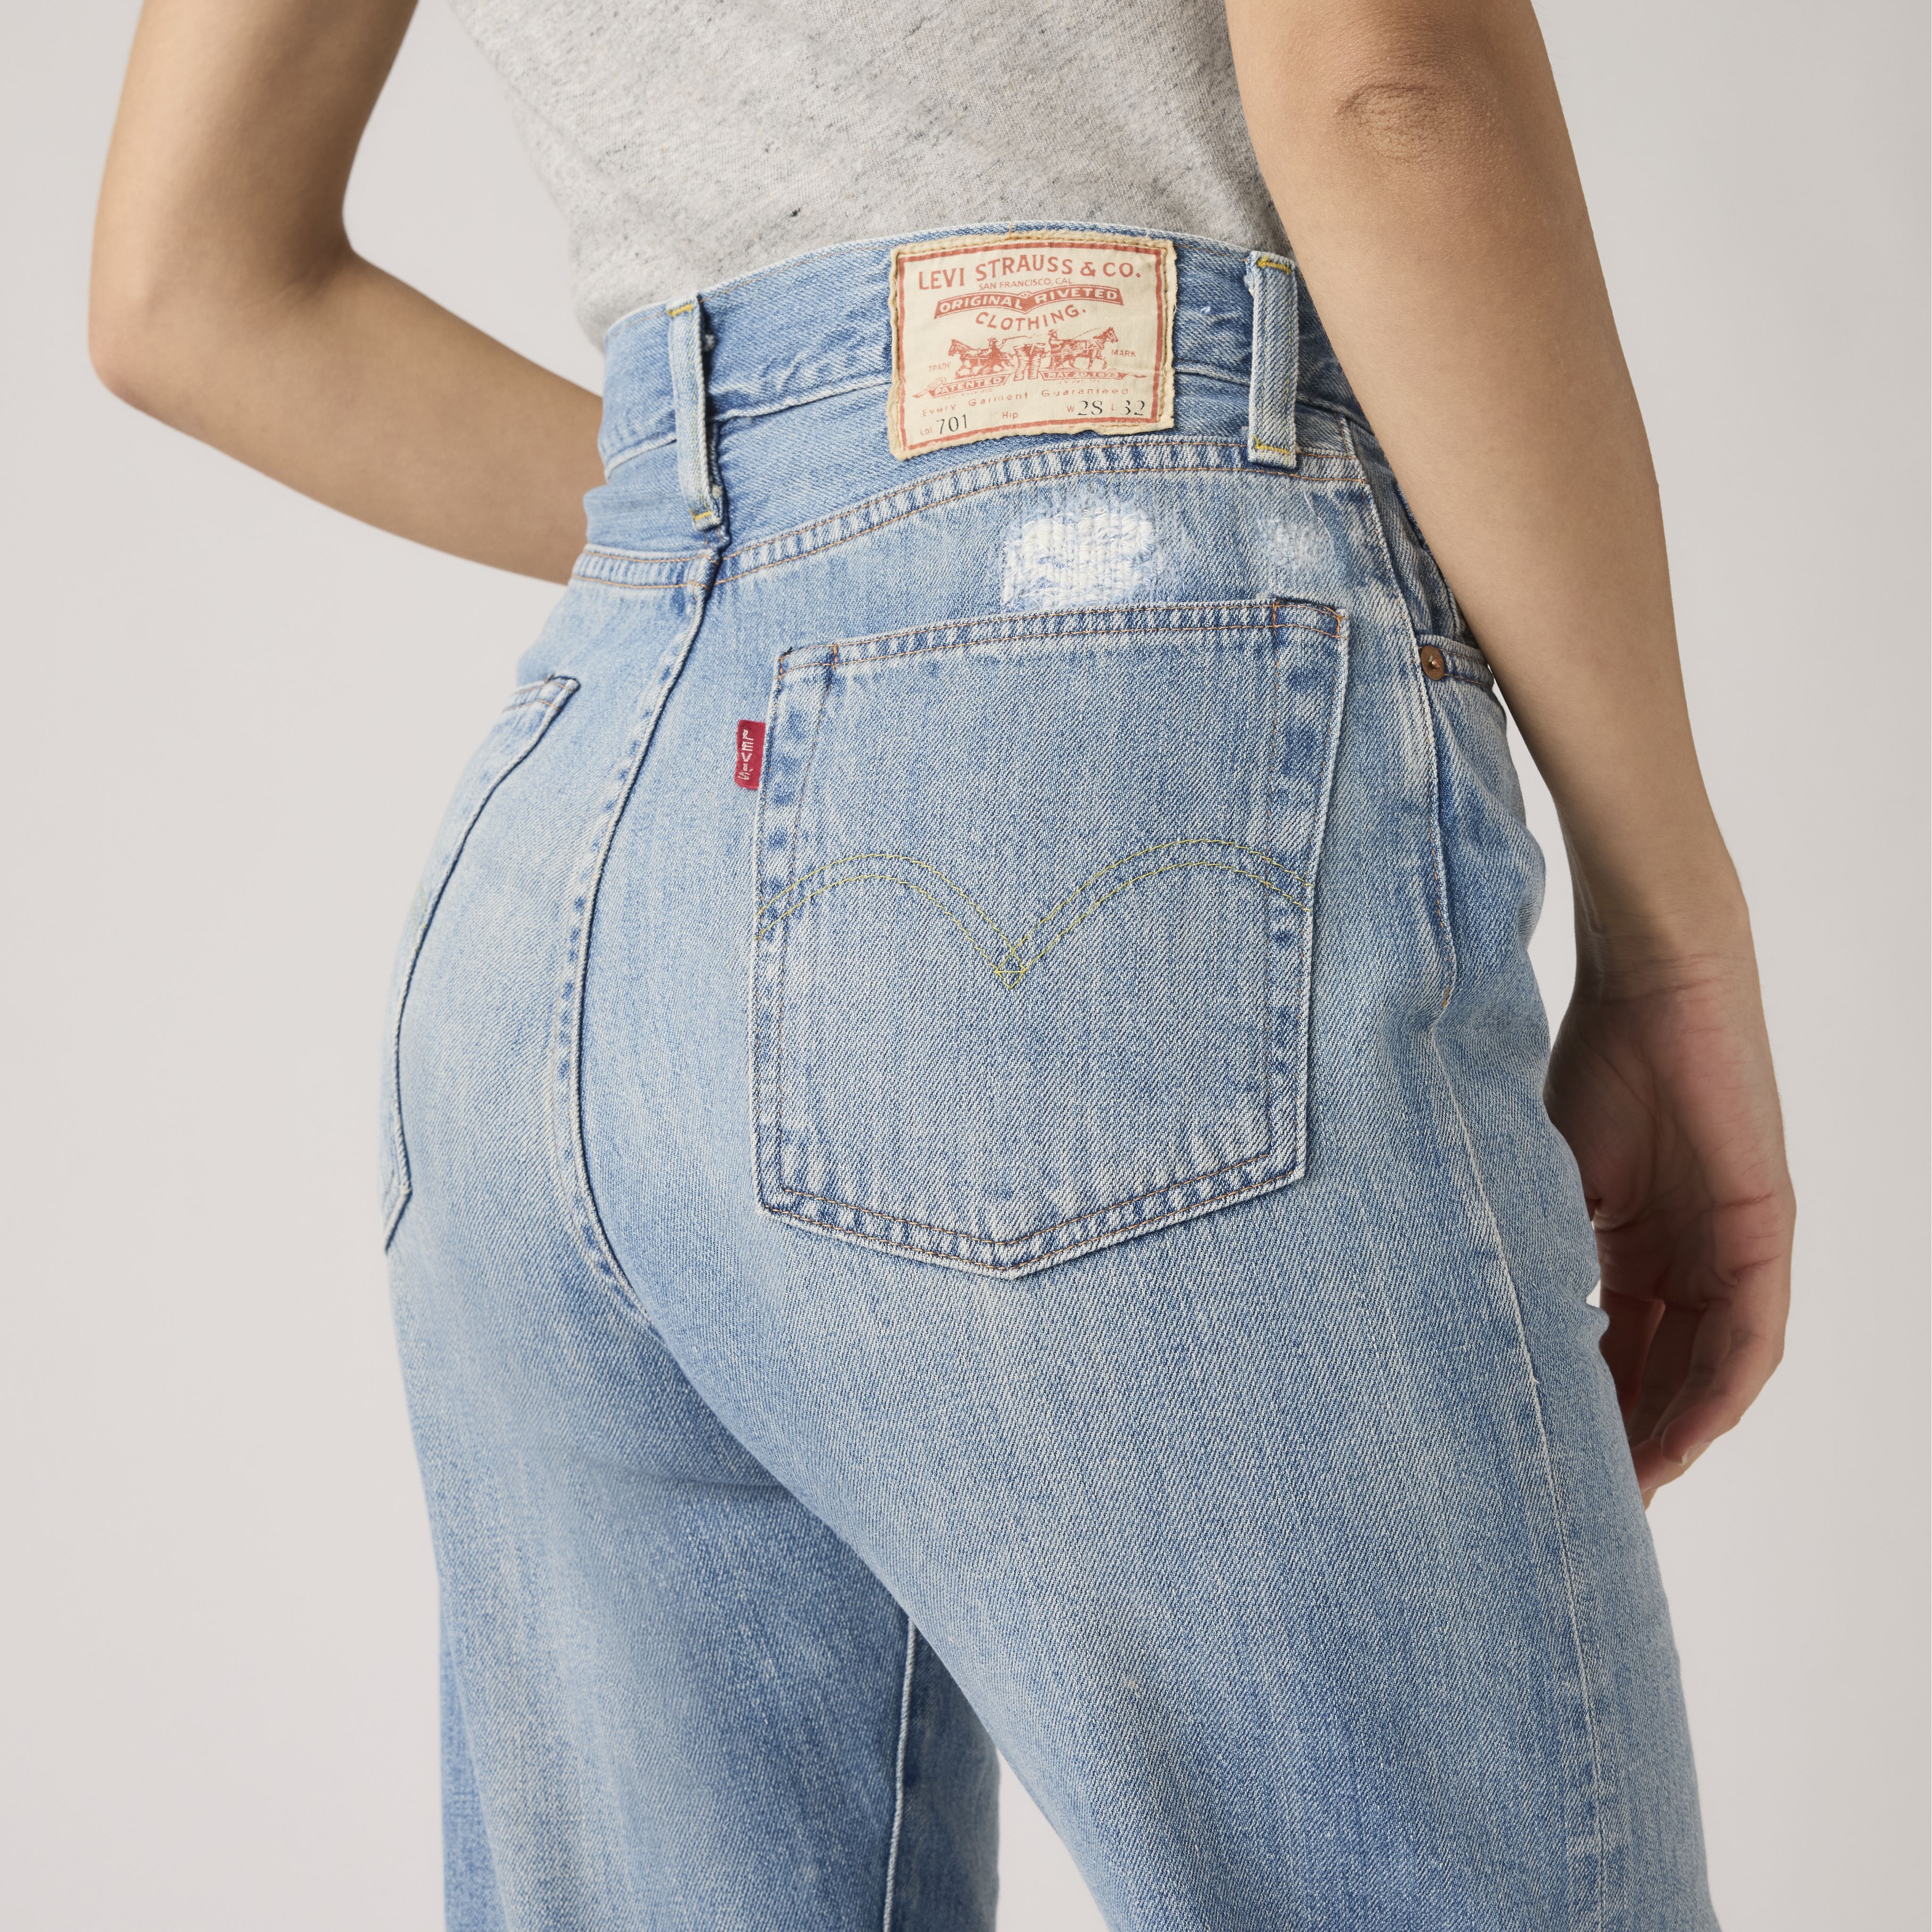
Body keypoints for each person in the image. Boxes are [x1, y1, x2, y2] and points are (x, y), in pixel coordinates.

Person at [90, 0, 1794, 1924]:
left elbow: (182, 288)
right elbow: (1391, 86)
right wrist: (1673, 938)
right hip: (1102, 724)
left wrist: (775, 520)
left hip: (571, 851)